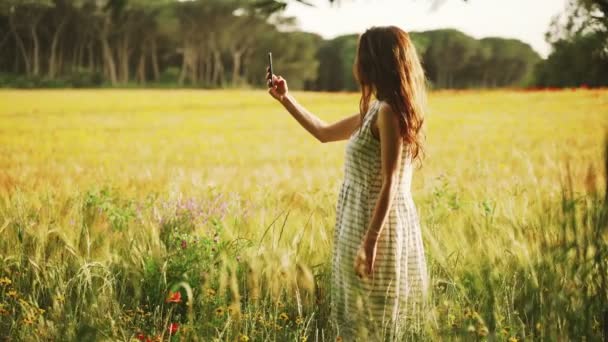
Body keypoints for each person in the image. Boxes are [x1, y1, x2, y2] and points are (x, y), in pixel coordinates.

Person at [265, 26, 429, 341]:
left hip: (377, 227)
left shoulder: (387, 113)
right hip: (358, 222)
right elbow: (324, 133)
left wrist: (370, 243)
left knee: (376, 318)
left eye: (360, 56)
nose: (356, 64)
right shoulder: (374, 111)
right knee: (357, 317)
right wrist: (286, 99)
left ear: (373, 62)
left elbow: (391, 182)